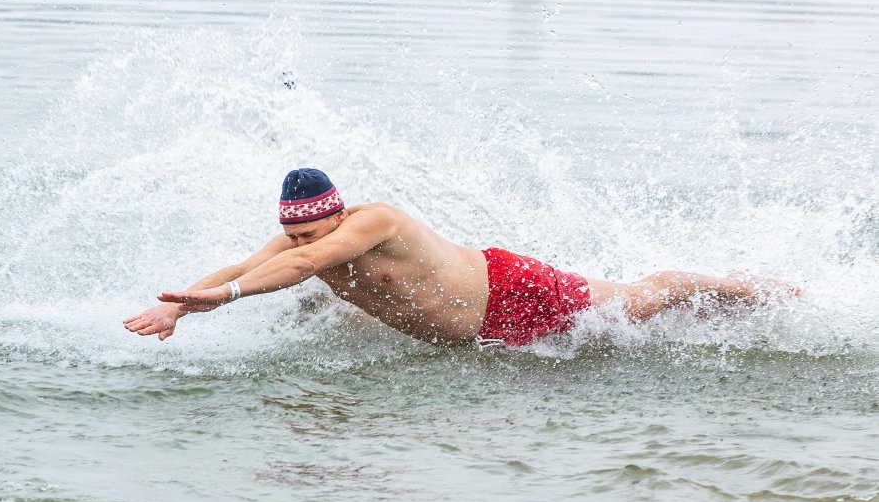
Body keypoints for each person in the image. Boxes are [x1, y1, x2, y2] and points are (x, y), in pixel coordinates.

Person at [123, 168, 800, 347]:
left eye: (313, 233)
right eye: (293, 236)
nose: (304, 247)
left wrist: (229, 300)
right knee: (629, 341)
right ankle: (729, 315)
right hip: (483, 335)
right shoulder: (299, 243)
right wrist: (178, 304)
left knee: (644, 304)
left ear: (338, 211)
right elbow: (242, 269)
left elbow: (293, 271)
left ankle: (754, 291)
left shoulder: (374, 220)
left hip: (511, 291)